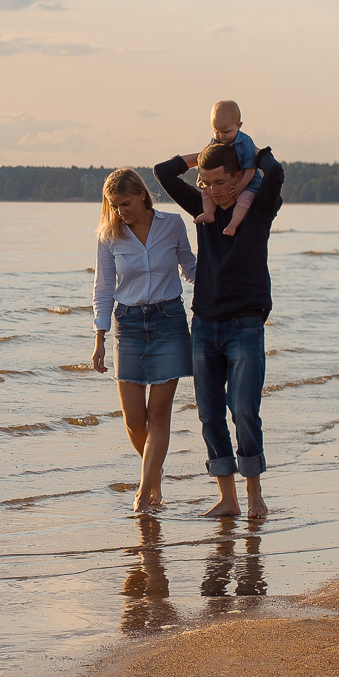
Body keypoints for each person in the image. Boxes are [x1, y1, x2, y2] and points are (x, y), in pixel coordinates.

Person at [155, 138, 285, 518]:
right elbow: (162, 171)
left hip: (246, 323)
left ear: (239, 179)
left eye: (217, 182)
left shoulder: (259, 208)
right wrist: (205, 155)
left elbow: (274, 172)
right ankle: (227, 499)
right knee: (209, 414)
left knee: (244, 409)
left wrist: (253, 154)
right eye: (204, 182)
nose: (209, 189)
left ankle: (254, 494)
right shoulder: (202, 207)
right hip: (206, 322)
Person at [89, 167, 196, 513]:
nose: (122, 211)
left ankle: (143, 494)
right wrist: (99, 338)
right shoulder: (110, 237)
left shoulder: (173, 225)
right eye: (115, 206)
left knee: (158, 416)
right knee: (134, 420)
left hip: (169, 322)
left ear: (142, 196)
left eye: (126, 203)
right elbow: (104, 289)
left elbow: (191, 269)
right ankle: (155, 477)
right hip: (129, 325)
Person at [181, 100, 259, 237]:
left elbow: (250, 167)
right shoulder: (215, 142)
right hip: (232, 181)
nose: (222, 136)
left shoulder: (245, 142)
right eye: (216, 131)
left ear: (239, 125)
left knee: (245, 199)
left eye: (226, 132)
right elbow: (205, 162)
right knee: (205, 191)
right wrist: (201, 179)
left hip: (248, 182)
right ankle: (209, 213)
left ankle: (233, 224)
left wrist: (242, 185)